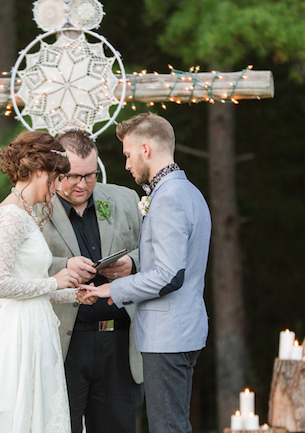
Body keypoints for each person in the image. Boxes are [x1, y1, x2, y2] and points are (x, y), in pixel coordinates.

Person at [0, 130, 96, 433]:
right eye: (58, 177)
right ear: (39, 171)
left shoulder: (27, 213)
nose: (60, 186)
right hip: (17, 335)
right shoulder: (10, 216)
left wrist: (73, 293)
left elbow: (30, 286)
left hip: (36, 326)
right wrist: (54, 283)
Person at [83, 113, 211, 433]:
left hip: (167, 335)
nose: (127, 164)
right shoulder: (189, 192)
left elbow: (169, 274)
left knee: (167, 427)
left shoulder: (168, 198)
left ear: (146, 149)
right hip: (183, 329)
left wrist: (112, 290)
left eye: (128, 155)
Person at [40, 129, 144, 433]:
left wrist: (132, 263)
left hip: (121, 342)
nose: (83, 184)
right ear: (56, 170)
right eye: (73, 176)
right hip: (65, 344)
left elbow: (154, 250)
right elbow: (22, 269)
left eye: (90, 175)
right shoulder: (36, 207)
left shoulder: (125, 199)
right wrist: (65, 268)